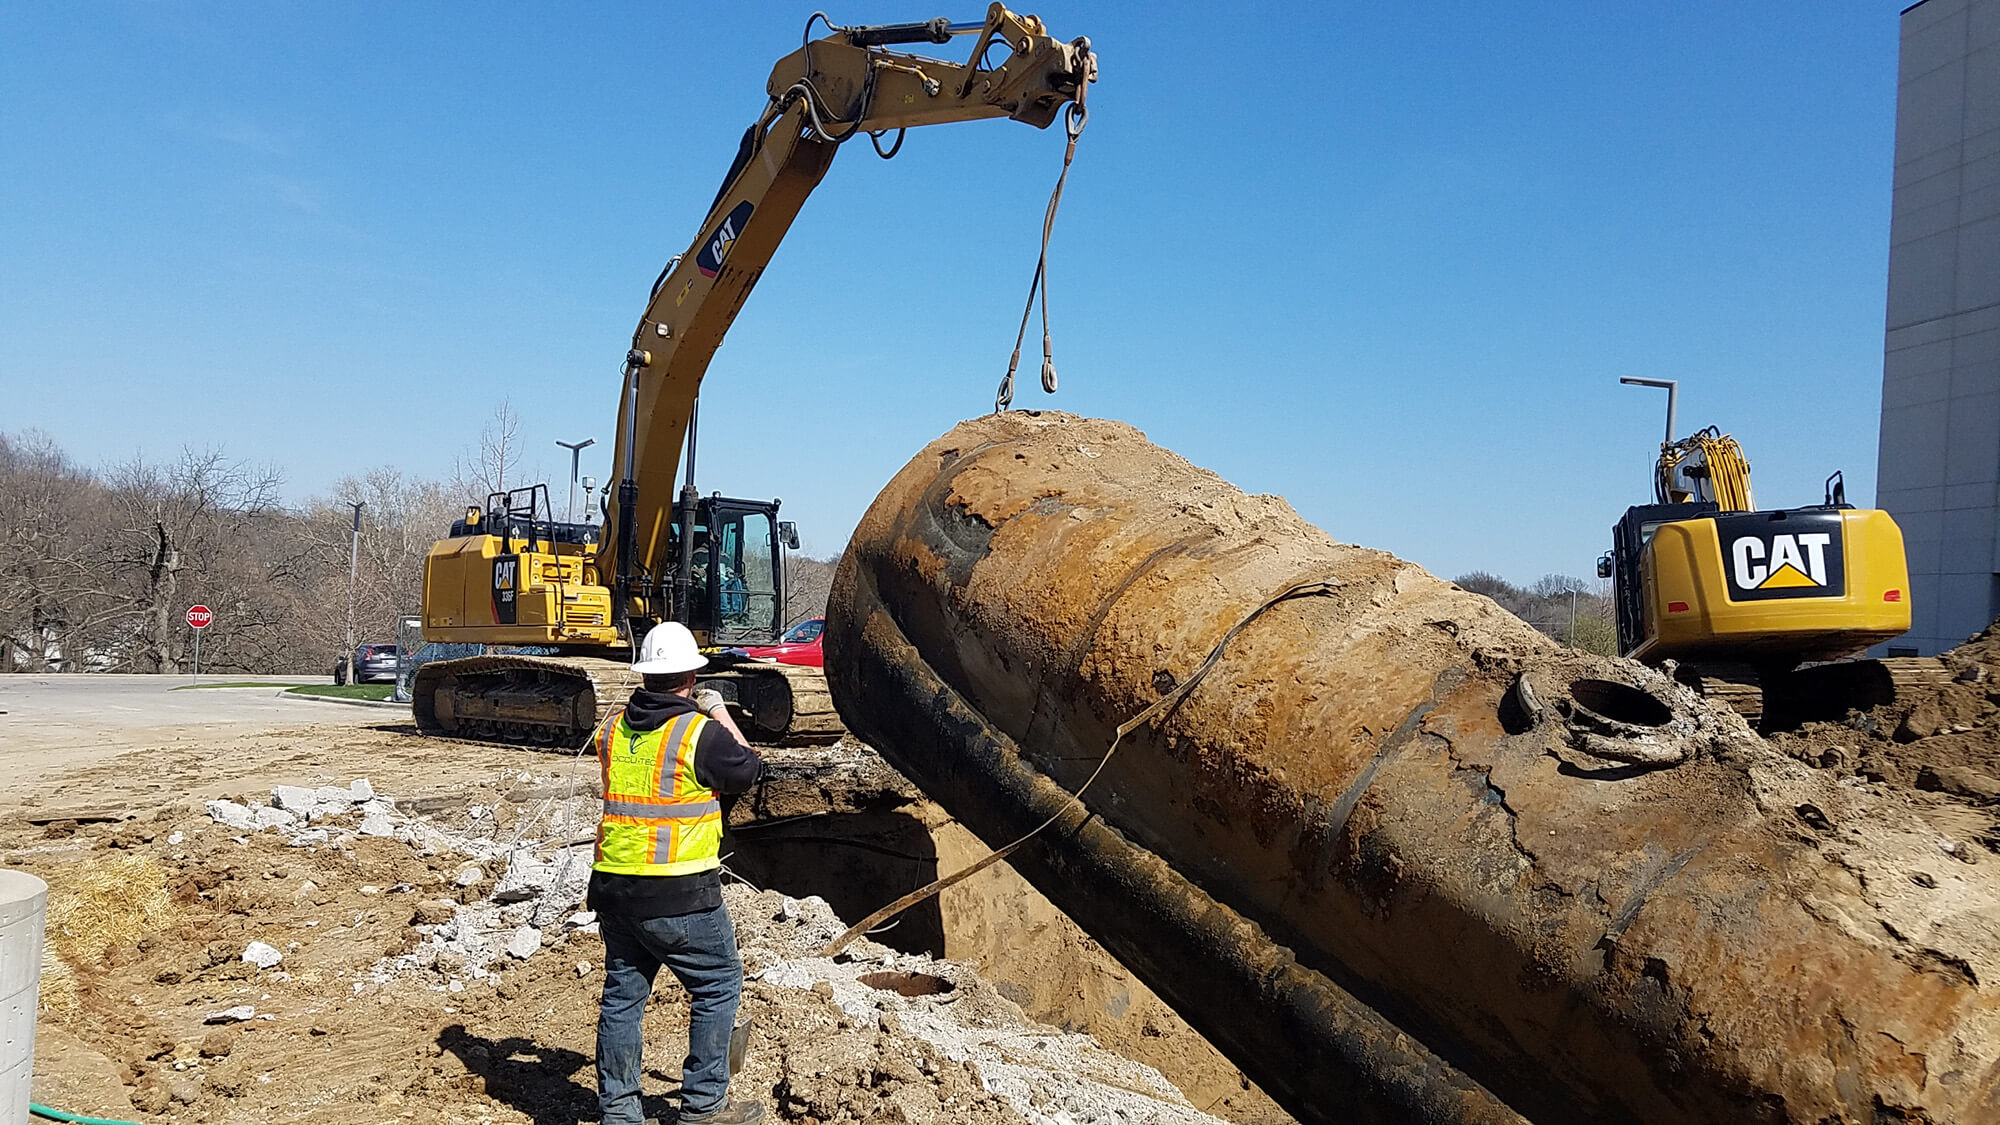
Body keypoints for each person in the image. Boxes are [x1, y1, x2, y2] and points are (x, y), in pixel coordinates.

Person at [590, 621, 766, 1125]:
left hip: (615, 887)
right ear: (691, 676)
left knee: (623, 996)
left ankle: (619, 1113)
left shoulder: (611, 730)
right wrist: (717, 710)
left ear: (645, 674)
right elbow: (749, 767)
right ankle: (704, 1108)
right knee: (718, 983)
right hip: (680, 892)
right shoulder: (697, 734)